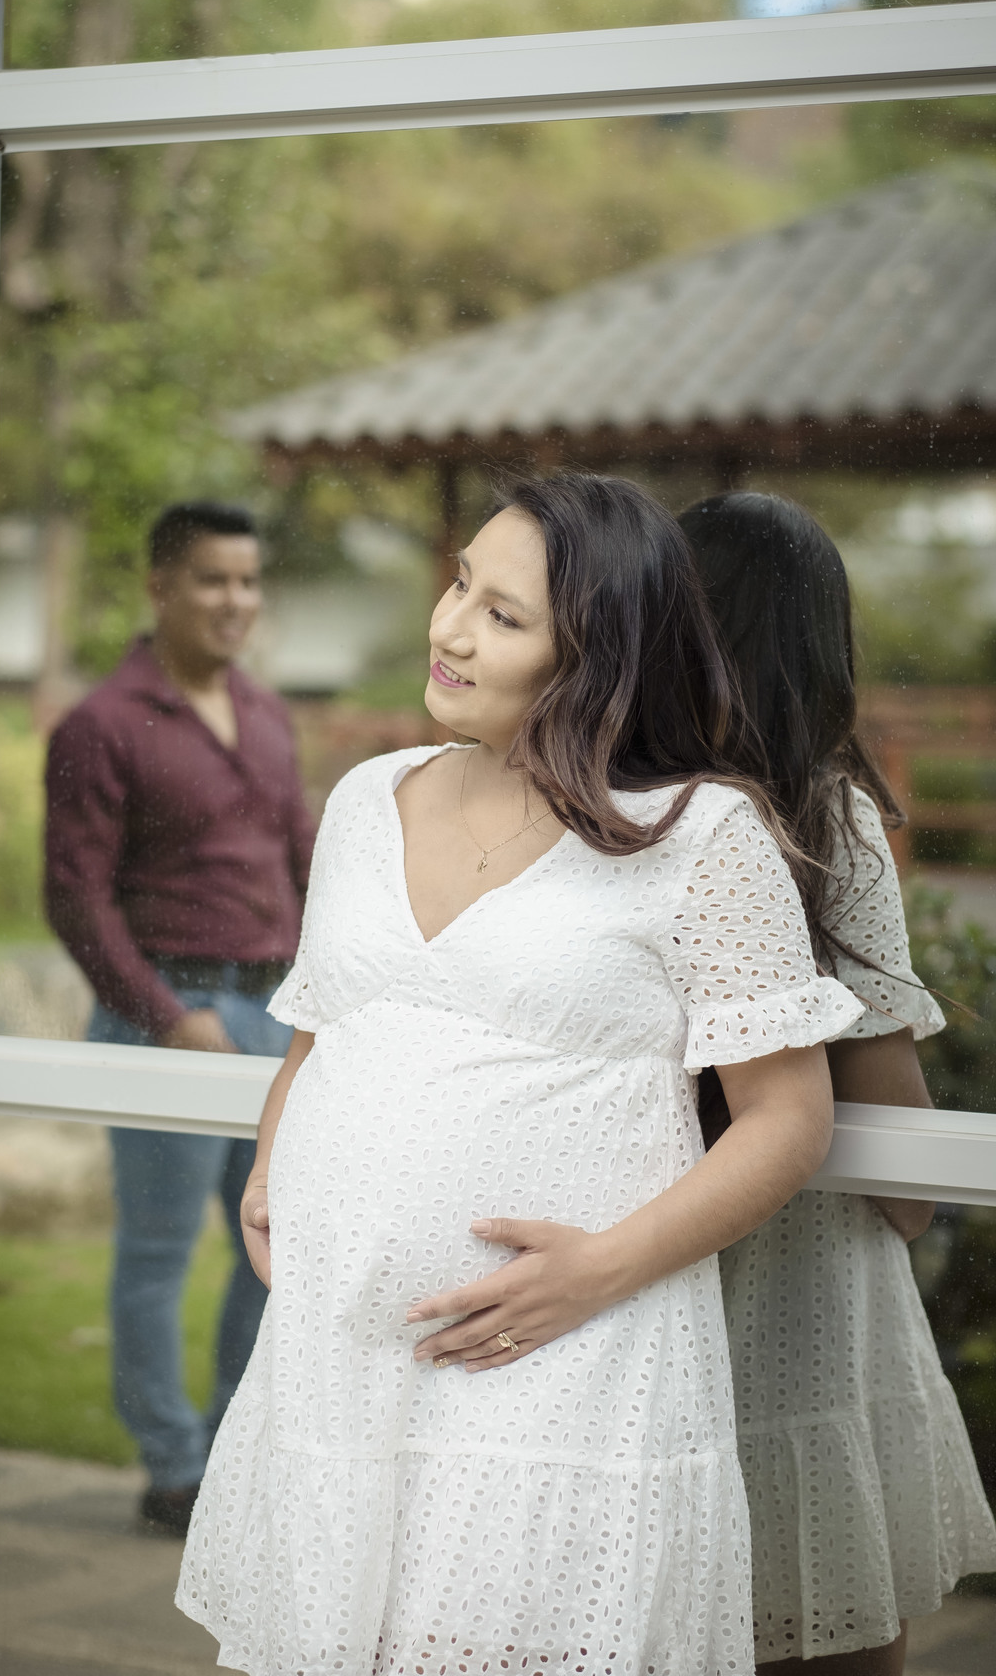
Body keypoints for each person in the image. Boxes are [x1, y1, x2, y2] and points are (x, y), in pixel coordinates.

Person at [175, 471, 869, 1676]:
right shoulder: (363, 801)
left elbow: (788, 1119)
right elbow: (327, 1021)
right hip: (342, 1356)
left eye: (503, 616)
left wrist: (599, 1271)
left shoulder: (702, 837)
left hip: (570, 1367)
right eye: (460, 585)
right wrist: (273, 1160)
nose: (448, 629)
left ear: (598, 656)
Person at [678, 491, 996, 1674]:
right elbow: (903, 1176)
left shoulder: (607, 806)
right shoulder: (825, 817)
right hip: (810, 1315)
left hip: (649, 1287)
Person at [45, 499, 316, 1536]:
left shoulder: (264, 713)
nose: (235, 601)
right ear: (160, 586)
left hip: (269, 1013)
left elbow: (302, 862)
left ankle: (233, 1456)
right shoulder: (103, 724)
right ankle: (172, 1470)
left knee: (272, 1247)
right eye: (213, 580)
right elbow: (76, 896)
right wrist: (164, 1017)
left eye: (248, 581)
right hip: (166, 1014)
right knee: (157, 1254)